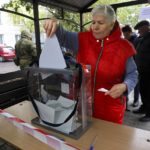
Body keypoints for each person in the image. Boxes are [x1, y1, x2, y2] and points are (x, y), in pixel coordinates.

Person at [44, 5, 138, 124]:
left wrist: (125, 85)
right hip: (82, 105)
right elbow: (62, 36)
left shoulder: (124, 47)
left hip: (110, 109)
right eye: (93, 22)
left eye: (100, 23)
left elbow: (132, 74)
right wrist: (53, 23)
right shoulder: (82, 39)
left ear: (111, 24)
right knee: (82, 139)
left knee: (107, 141)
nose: (95, 27)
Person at [133, 20, 150, 122]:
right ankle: (144, 108)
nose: (138, 32)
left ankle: (149, 114)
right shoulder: (143, 39)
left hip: (149, 72)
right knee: (143, 91)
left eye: (140, 29)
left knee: (148, 92)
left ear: (146, 27)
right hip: (142, 71)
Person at [122, 25, 140, 107]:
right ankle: (126, 100)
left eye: (126, 34)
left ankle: (136, 101)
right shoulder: (124, 40)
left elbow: (136, 53)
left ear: (130, 32)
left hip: (136, 64)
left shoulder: (136, 40)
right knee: (125, 83)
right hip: (126, 64)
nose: (125, 36)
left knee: (136, 84)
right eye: (124, 34)